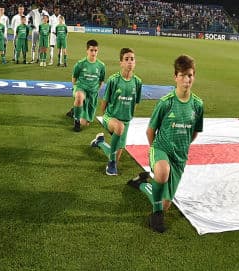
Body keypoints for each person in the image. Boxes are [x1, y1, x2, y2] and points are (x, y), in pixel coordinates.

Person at [128, 54, 204, 233]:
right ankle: (155, 215)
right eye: (183, 75)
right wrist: (155, 151)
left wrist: (182, 145)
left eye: (190, 75)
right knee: (162, 172)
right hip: (160, 149)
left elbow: (193, 133)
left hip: (180, 157)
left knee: (165, 204)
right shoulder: (166, 103)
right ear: (175, 77)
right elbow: (150, 131)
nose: (187, 79)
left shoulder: (198, 105)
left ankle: (142, 183)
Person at [91, 47, 143, 176]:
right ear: (121, 63)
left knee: (114, 153)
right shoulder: (114, 80)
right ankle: (111, 164)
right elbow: (104, 102)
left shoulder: (138, 82)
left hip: (126, 121)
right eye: (126, 59)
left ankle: (100, 142)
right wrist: (106, 119)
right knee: (119, 128)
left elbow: (135, 103)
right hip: (111, 117)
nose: (130, 62)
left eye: (132, 59)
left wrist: (129, 117)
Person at [70, 39, 106, 132]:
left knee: (85, 123)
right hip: (81, 88)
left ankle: (75, 110)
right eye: (91, 50)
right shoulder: (80, 64)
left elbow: (101, 80)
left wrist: (96, 90)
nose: (93, 53)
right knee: (79, 96)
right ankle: (76, 121)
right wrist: (76, 89)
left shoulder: (101, 65)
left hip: (92, 93)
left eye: (95, 50)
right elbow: (74, 78)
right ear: (87, 50)